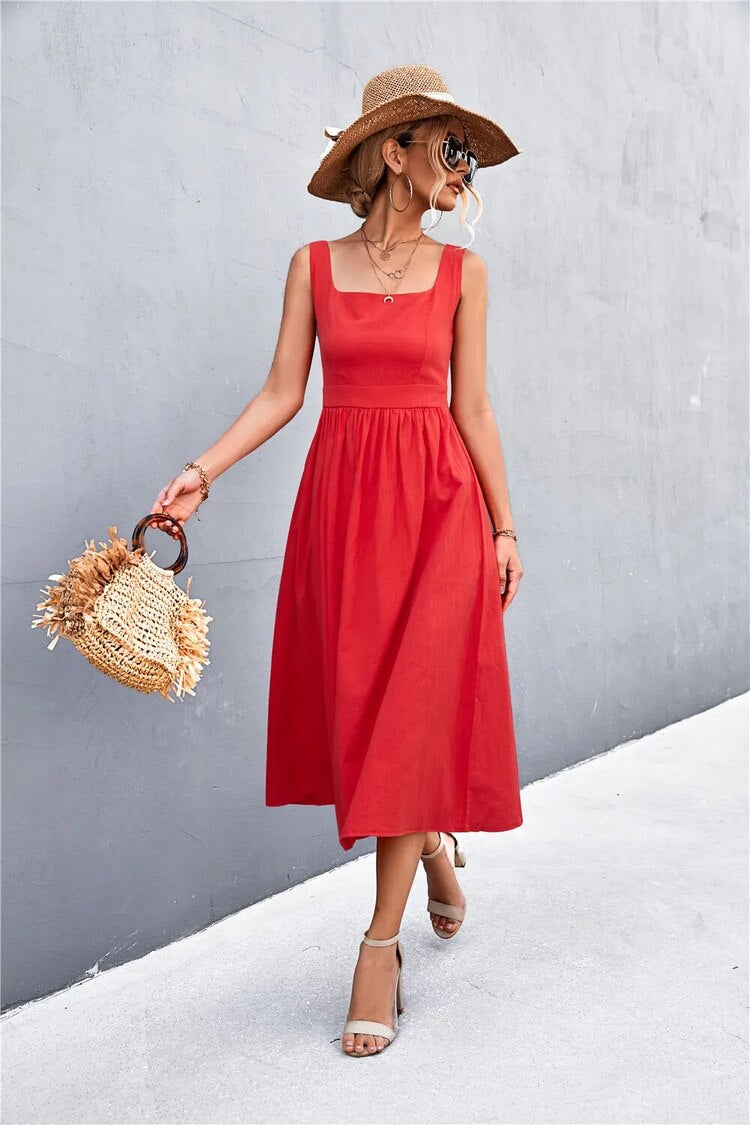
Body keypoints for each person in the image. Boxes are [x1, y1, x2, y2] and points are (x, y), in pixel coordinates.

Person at [151, 64, 525, 1057]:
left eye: (468, 152)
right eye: (448, 145)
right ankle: (432, 843)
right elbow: (282, 392)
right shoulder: (313, 266)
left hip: (441, 508)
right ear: (392, 152)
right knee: (368, 709)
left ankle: (378, 946)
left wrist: (503, 522)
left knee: (409, 715)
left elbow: (472, 408)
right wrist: (203, 470)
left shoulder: (465, 276)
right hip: (348, 512)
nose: (464, 166)